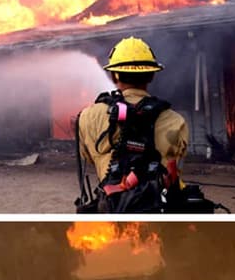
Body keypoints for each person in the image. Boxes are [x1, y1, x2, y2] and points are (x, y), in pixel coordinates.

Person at [75, 36, 189, 213]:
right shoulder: (176, 121)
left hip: (111, 211)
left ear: (114, 75)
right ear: (151, 75)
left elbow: (89, 157)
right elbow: (175, 166)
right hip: (159, 213)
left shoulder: (87, 117)